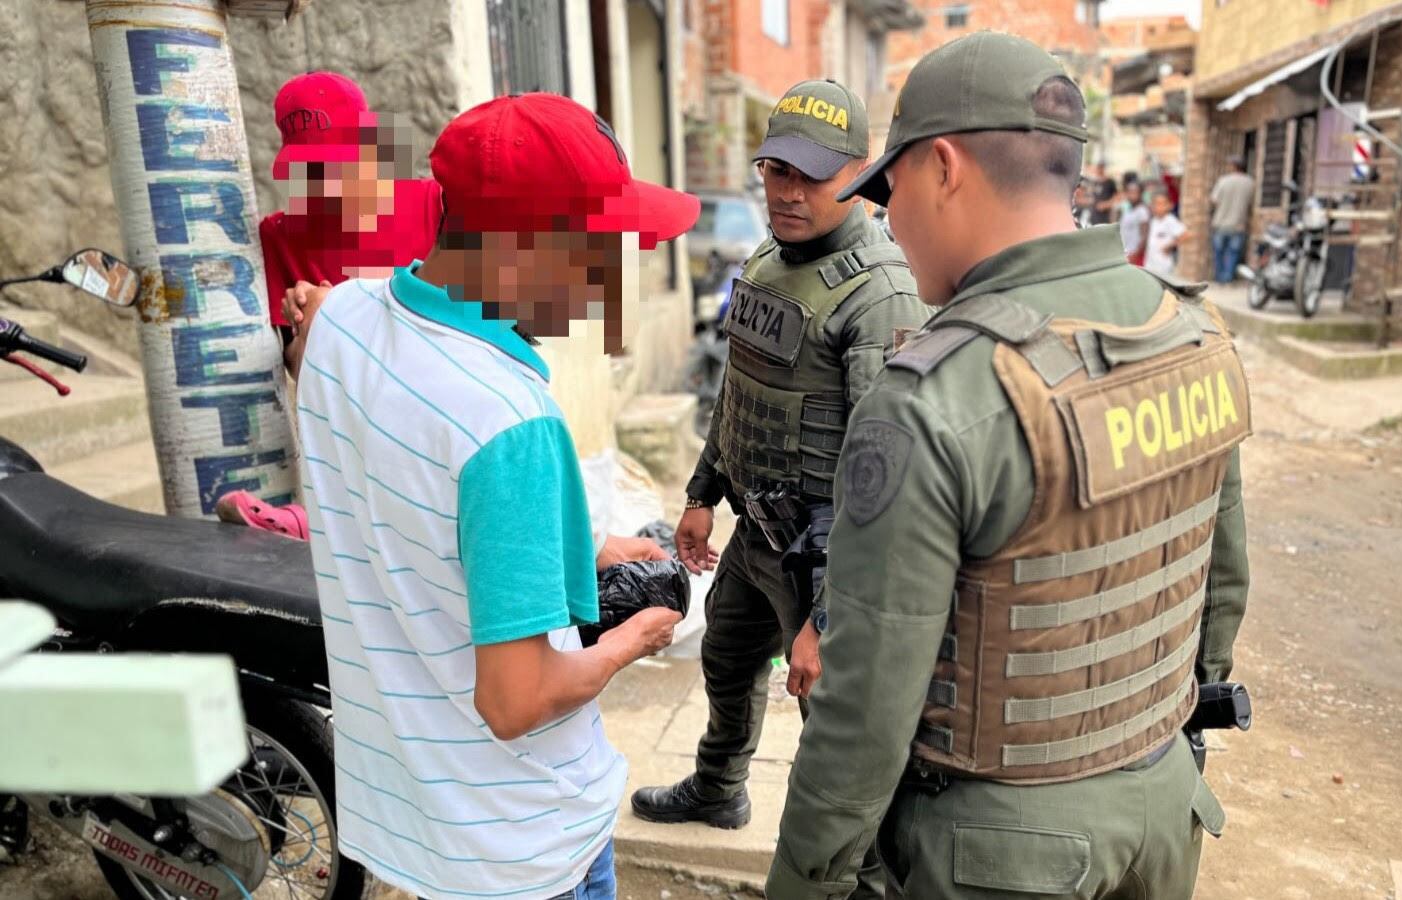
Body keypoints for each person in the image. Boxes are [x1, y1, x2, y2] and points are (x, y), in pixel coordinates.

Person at [767, 30, 1252, 899]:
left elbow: (863, 713)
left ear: (943, 167)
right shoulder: (1189, 332)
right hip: (1167, 810)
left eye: (893, 187)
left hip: (999, 855)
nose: (886, 216)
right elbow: (1221, 583)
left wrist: (805, 884)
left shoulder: (936, 397)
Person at [295, 92, 697, 900]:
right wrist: (634, 640)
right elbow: (517, 700)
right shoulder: (509, 420)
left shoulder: (338, 321)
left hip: (407, 811)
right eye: (600, 250)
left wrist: (586, 549)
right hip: (523, 841)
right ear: (526, 248)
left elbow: (415, 499)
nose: (608, 279)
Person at [631, 79, 928, 895]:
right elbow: (739, 389)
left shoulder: (882, 292)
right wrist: (701, 490)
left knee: (832, 733)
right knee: (726, 664)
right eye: (775, 170)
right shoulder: (765, 259)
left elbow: (883, 473)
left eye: (811, 175)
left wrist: (829, 617)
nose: (788, 191)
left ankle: (864, 874)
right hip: (754, 534)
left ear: (862, 173)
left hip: (821, 559)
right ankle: (719, 789)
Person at [260, 72, 444, 376]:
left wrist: (343, 311)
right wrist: (309, 327)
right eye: (310, 169)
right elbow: (295, 369)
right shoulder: (280, 236)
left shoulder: (434, 203)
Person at [1210, 156, 1254, 284]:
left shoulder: (1223, 181)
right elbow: (1251, 203)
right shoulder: (1250, 182)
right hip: (1238, 224)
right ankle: (1228, 278)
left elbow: (1214, 200)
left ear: (1234, 166)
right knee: (1233, 253)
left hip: (1220, 223)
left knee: (1219, 253)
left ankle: (1219, 278)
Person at [1145, 192, 1189, 277]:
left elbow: (1185, 235)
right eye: (1156, 204)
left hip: (1164, 263)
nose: (1159, 207)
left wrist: (1170, 246)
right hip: (1151, 262)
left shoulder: (1170, 220)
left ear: (1169, 205)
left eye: (1162, 204)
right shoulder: (1153, 220)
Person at [1117, 178, 1150, 266]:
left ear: (1140, 194)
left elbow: (1145, 235)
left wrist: (1136, 254)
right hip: (1124, 253)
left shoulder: (1142, 211)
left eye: (1135, 192)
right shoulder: (1128, 210)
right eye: (1129, 192)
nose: (1131, 195)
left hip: (1134, 255)